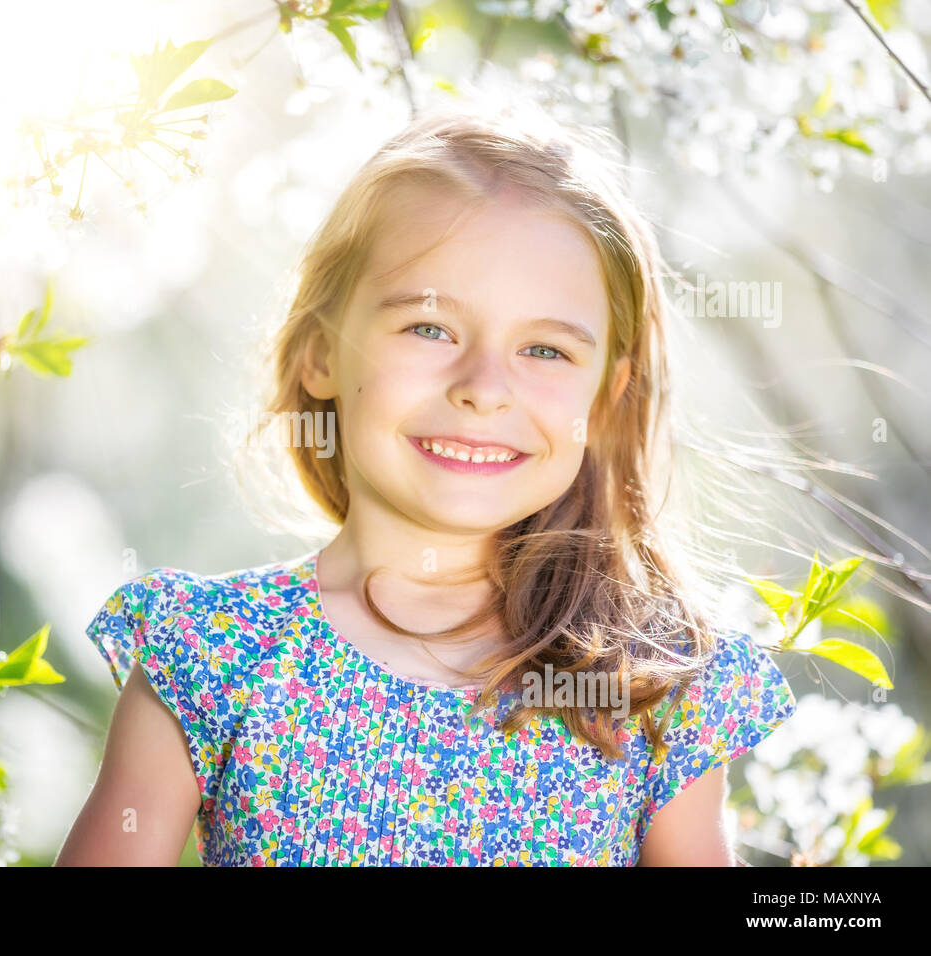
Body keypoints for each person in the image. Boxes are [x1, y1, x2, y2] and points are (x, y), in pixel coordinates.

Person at [55, 103, 798, 867]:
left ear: (605, 399)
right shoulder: (212, 653)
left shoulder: (654, 687)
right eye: (430, 329)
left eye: (544, 350)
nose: (484, 387)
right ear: (319, 354)